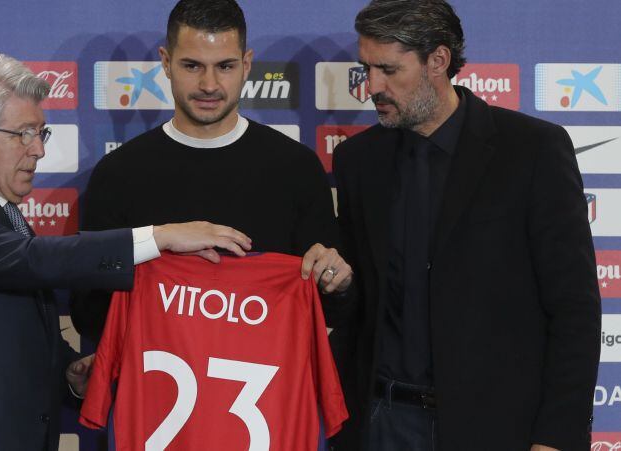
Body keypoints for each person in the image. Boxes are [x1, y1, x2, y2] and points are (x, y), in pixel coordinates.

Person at [0, 52, 252, 451]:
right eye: (23, 133)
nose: (37, 149)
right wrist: (159, 238)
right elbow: (36, 261)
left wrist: (68, 376)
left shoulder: (2, 216)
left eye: (42, 133)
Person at [331, 1, 601, 450]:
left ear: (438, 61)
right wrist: (337, 286)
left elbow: (574, 309)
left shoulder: (532, 151)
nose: (371, 86)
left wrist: (557, 435)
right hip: (383, 424)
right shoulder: (359, 161)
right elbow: (360, 308)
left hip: (498, 427)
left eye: (388, 70)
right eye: (367, 69)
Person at [70, 0, 353, 344]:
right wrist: (155, 248)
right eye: (192, 65)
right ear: (165, 62)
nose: (209, 84)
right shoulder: (117, 173)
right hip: (156, 388)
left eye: (225, 66)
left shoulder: (297, 168)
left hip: (268, 389)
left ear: (247, 65)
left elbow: (332, 309)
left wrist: (337, 282)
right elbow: (88, 314)